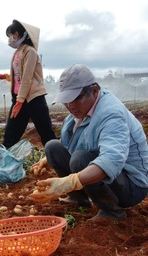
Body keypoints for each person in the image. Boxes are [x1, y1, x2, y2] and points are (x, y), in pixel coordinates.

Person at [29, 64, 148, 220]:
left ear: (94, 91)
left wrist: (68, 182)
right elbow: (74, 142)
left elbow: (111, 160)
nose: (70, 106)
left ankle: (112, 211)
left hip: (132, 185)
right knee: (52, 147)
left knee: (80, 159)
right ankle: (79, 198)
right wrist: (48, 159)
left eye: (76, 98)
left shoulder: (111, 114)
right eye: (66, 100)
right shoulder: (81, 110)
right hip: (113, 178)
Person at [0, 19, 56, 149]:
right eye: (8, 36)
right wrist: (4, 76)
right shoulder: (17, 53)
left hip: (34, 99)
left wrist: (19, 102)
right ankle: (5, 162)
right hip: (19, 98)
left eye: (11, 35)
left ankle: (56, 160)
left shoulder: (30, 52)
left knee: (46, 133)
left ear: (20, 34)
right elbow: (18, 76)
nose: (10, 39)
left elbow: (27, 78)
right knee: (11, 134)